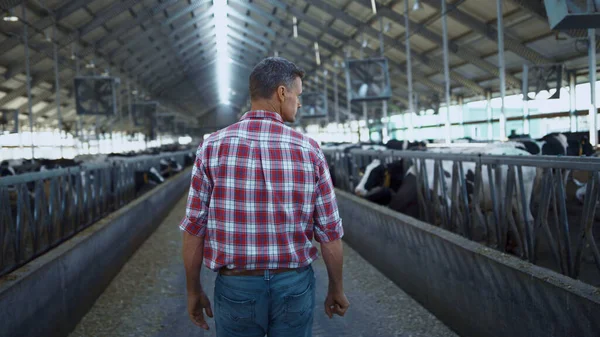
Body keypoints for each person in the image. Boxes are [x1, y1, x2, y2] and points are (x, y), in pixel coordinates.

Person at [180, 57, 349, 337]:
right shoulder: (309, 150)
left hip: (237, 286)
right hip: (293, 285)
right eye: (298, 95)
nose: (300, 103)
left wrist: (193, 289)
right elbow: (329, 232)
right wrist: (336, 287)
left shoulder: (211, 147)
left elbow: (194, 229)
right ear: (282, 93)